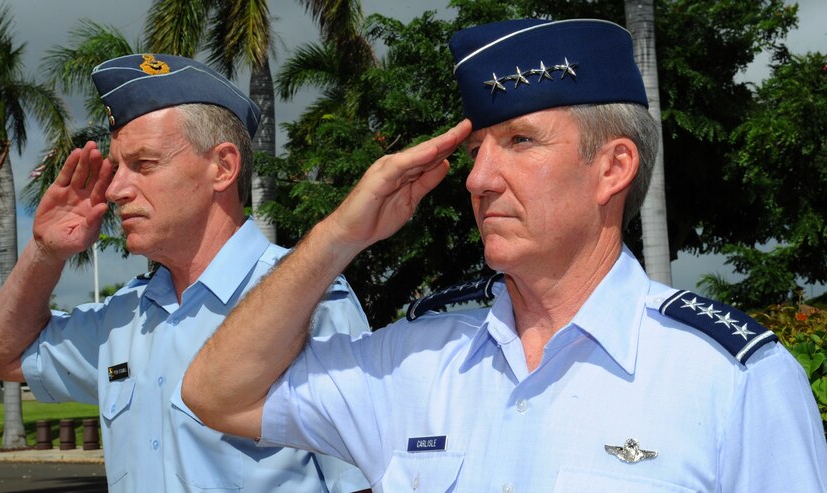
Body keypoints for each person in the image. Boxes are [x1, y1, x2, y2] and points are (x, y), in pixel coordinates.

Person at [179, 18, 827, 492]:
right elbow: (215, 391)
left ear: (612, 168)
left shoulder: (734, 379)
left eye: (519, 140)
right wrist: (338, 236)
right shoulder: (416, 363)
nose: (478, 179)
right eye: (475, 150)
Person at [0, 53, 371, 493]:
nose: (115, 189)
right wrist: (46, 253)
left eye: (143, 165)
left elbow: (361, 482)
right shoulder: (125, 318)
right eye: (117, 168)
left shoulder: (312, 301)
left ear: (223, 167)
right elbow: (2, 356)